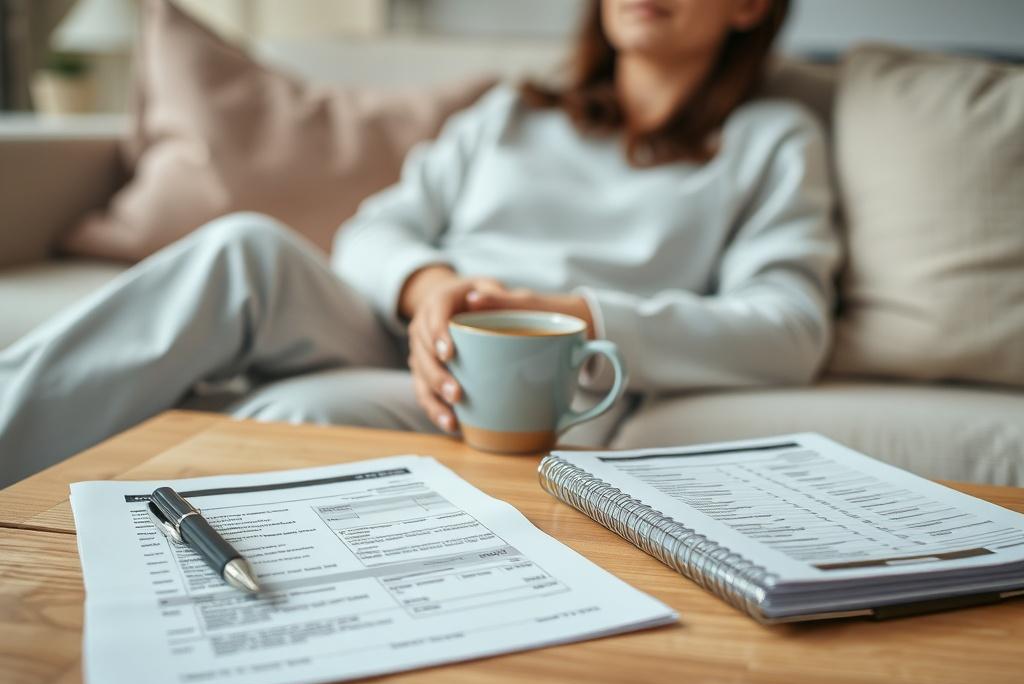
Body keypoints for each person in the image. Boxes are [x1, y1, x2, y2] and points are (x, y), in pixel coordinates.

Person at [0, 0, 838, 487]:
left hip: (529, 384)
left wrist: (570, 315)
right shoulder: (514, 114)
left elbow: (790, 326)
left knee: (296, 418)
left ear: (750, 7)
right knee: (243, 248)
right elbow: (377, 227)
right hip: (407, 327)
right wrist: (428, 285)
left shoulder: (772, 138)